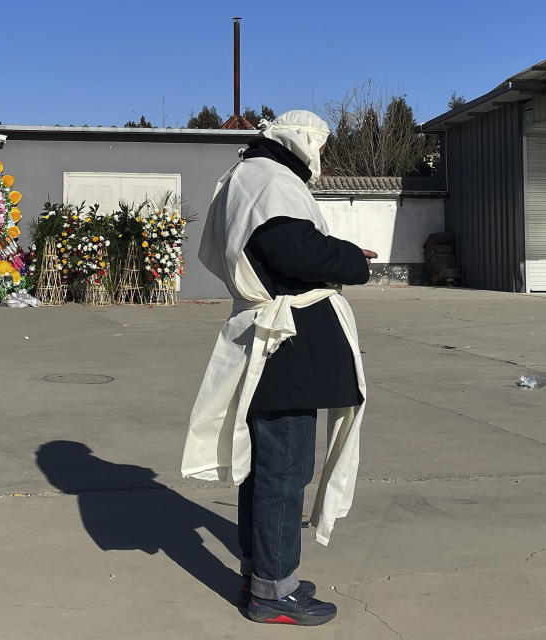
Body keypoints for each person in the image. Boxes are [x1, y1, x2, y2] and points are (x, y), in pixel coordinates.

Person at [181, 110, 374, 626]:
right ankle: (273, 591)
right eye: (322, 145)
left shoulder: (249, 175)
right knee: (285, 470)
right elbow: (292, 250)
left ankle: (263, 571)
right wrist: (352, 259)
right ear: (303, 140)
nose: (322, 156)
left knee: (268, 467)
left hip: (277, 340)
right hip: (287, 343)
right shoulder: (268, 177)